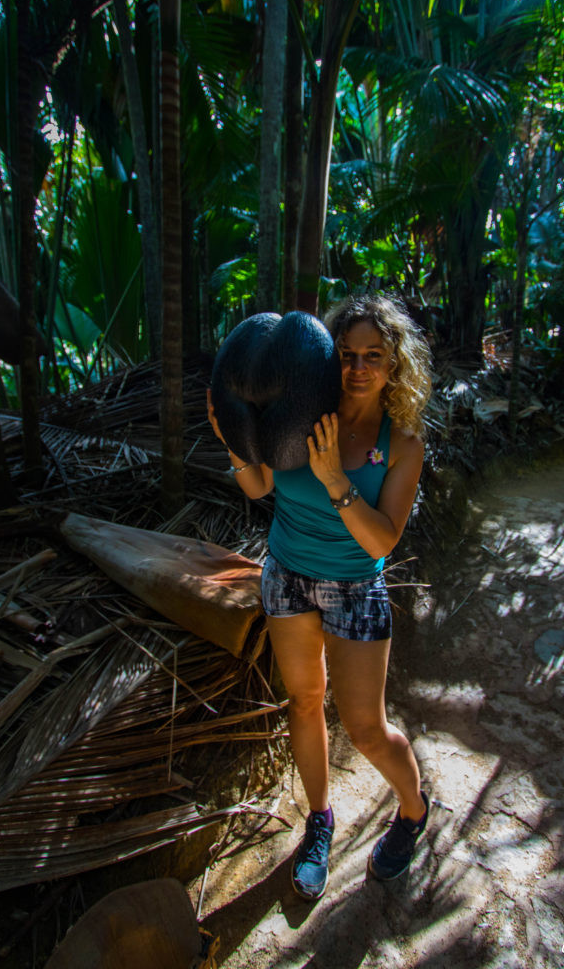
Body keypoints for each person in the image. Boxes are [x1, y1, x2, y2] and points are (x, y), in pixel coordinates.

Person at [207, 294, 432, 899]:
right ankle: (320, 822)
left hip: (355, 586)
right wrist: (233, 441)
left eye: (374, 356)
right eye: (347, 355)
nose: (357, 369)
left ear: (394, 366)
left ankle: (413, 811)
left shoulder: (401, 444)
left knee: (365, 729)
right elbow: (259, 486)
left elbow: (382, 538)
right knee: (304, 704)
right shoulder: (300, 410)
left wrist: (335, 478)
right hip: (286, 574)